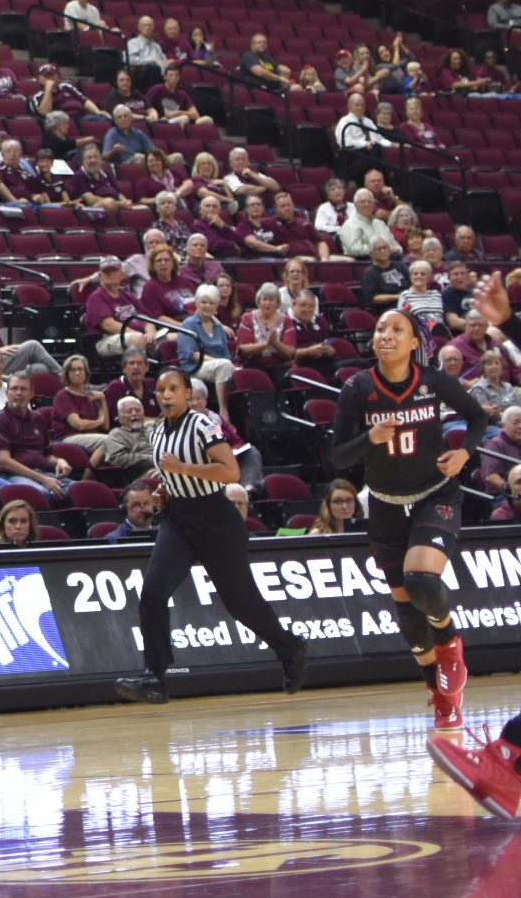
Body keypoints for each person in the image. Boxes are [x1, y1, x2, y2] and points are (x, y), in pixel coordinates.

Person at [326, 279, 508, 731]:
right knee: (405, 607)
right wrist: (369, 437)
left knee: (422, 578)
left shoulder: (433, 382)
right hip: (385, 504)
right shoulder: (357, 388)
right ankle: (441, 694)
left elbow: (478, 416)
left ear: (413, 342)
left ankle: (450, 646)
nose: (384, 335)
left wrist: (466, 451)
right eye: (380, 329)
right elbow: (335, 457)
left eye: (394, 330)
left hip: (433, 495)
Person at [112, 368, 310, 705]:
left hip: (216, 518)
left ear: (188, 395)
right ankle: (155, 677)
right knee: (152, 593)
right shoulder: (157, 431)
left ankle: (290, 647)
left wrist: (183, 470)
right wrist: (166, 489)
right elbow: (173, 475)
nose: (166, 395)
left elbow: (230, 471)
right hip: (178, 519)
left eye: (174, 388)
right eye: (160, 389)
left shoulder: (203, 425)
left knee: (241, 604)